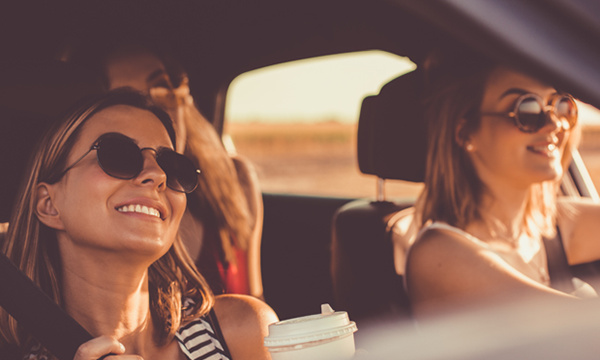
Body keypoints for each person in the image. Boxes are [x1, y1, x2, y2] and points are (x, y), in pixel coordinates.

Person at [0, 89, 277, 359]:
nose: (157, 175)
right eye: (117, 154)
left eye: (172, 165)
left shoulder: (244, 331)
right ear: (49, 204)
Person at [393, 48, 600, 317]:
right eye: (527, 109)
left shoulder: (557, 224)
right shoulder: (438, 255)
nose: (554, 124)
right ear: (466, 132)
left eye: (561, 105)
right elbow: (580, 325)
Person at [96, 42, 264, 298]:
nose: (154, 113)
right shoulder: (103, 209)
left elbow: (256, 303)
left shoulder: (235, 180)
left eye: (162, 90)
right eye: (128, 102)